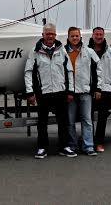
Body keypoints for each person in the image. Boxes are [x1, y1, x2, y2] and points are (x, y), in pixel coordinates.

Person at [24, 23, 76, 159]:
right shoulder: (35, 52)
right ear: (43, 35)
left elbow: (69, 70)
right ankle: (42, 147)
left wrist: (70, 91)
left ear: (55, 35)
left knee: (63, 121)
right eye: (48, 34)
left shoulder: (62, 50)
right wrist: (30, 93)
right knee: (42, 122)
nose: (50, 36)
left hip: (60, 91)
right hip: (43, 92)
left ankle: (64, 147)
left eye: (52, 34)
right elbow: (28, 72)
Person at [65, 26, 101, 156]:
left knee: (87, 120)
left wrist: (97, 88)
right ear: (68, 37)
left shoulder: (89, 52)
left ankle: (88, 146)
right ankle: (72, 146)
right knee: (70, 121)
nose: (75, 38)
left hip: (85, 91)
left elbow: (98, 71)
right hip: (70, 93)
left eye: (77, 36)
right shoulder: (63, 52)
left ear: (80, 37)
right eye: (72, 36)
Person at [89, 26, 111, 153]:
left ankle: (99, 142)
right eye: (96, 34)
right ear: (92, 35)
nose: (98, 37)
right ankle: (89, 142)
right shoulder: (86, 51)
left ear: (103, 36)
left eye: (100, 34)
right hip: (90, 89)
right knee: (88, 117)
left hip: (106, 89)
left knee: (102, 118)